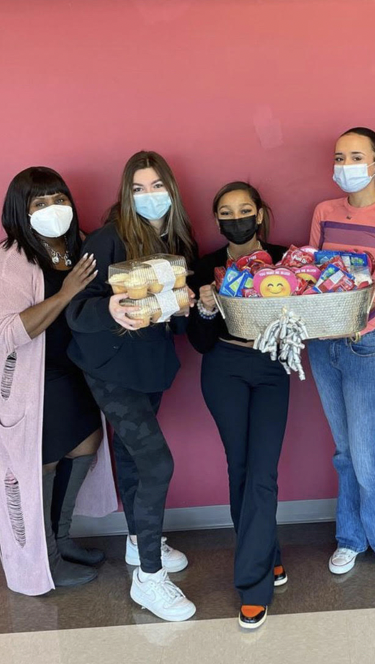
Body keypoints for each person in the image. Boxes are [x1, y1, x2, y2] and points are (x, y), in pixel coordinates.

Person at [66, 151, 198, 620]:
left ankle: (138, 541)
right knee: (156, 462)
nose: (149, 197)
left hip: (151, 368)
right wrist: (109, 310)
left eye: (157, 186)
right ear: (126, 194)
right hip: (108, 367)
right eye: (138, 189)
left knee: (131, 454)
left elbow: (179, 318)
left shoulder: (180, 239)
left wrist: (189, 306)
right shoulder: (106, 240)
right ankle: (148, 579)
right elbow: (73, 308)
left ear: (172, 191)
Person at [0, 167, 117, 596]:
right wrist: (65, 293)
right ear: (20, 212)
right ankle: (44, 558)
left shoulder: (81, 245)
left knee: (86, 442)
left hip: (78, 371)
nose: (54, 210)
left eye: (59, 199)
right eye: (40, 203)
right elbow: (7, 332)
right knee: (41, 463)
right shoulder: (12, 259)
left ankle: (62, 539)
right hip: (38, 379)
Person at [307, 127, 375, 579]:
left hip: (367, 345)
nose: (345, 165)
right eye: (339, 156)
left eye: (356, 156)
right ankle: (350, 538)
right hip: (322, 345)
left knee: (366, 453)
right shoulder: (324, 211)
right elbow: (309, 275)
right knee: (343, 451)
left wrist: (358, 327)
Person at [188, 182, 289, 630]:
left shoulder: (290, 259)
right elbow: (199, 342)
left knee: (263, 471)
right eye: (225, 212)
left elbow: (305, 319)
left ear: (261, 214)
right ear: (217, 222)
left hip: (271, 368)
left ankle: (253, 579)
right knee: (241, 468)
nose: (236, 218)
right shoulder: (205, 266)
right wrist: (206, 309)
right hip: (224, 368)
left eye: (244, 210)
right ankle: (260, 568)